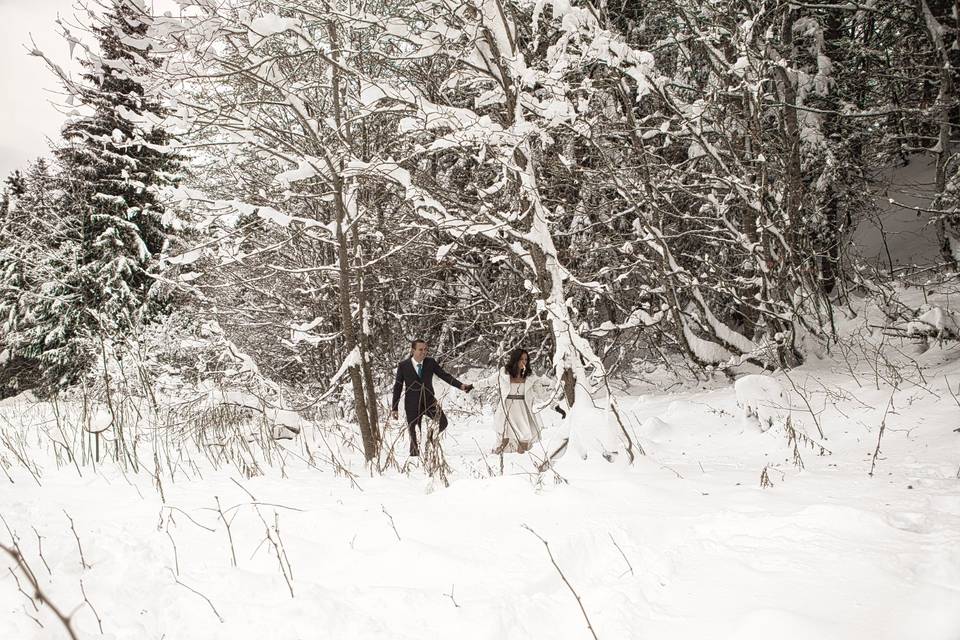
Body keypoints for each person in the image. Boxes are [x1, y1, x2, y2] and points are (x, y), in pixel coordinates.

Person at [391, 339, 473, 457]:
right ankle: (414, 459)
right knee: (414, 433)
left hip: (429, 401)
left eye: (425, 349)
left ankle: (429, 439)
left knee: (443, 422)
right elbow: (398, 386)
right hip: (412, 404)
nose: (424, 352)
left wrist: (460, 385)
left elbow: (444, 375)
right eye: (420, 349)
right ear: (413, 350)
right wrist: (394, 407)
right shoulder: (403, 365)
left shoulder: (430, 362)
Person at [475, 348, 552, 454]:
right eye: (521, 359)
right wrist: (472, 386)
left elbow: (541, 393)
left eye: (526, 359)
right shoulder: (504, 372)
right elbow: (488, 381)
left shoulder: (530, 375)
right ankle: (500, 455)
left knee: (525, 435)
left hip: (522, 408)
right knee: (504, 434)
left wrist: (554, 400)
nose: (524, 362)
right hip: (507, 407)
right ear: (515, 359)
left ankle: (523, 459)